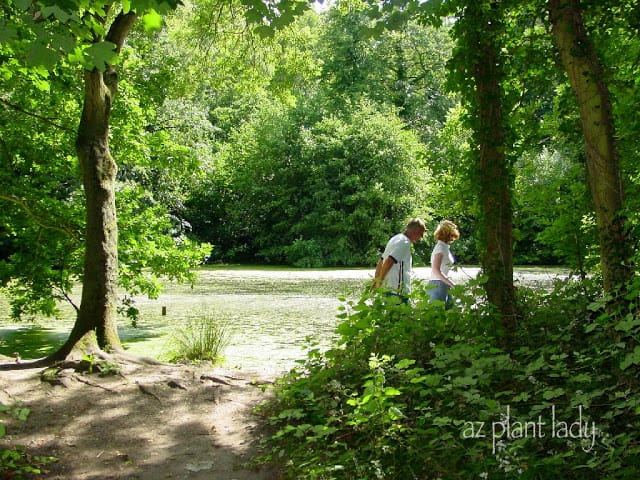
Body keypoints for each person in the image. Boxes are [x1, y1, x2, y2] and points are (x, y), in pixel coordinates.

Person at [372, 218, 426, 301]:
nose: (421, 237)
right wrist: (379, 281)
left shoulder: (395, 238)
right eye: (421, 233)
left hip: (388, 289)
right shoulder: (404, 242)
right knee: (403, 313)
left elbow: (381, 260)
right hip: (398, 292)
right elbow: (389, 261)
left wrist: (376, 280)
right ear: (415, 231)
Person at [428, 220, 460, 308]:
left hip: (444, 284)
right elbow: (435, 270)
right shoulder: (440, 248)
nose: (453, 238)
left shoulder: (445, 247)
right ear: (448, 235)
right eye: (452, 235)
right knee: (436, 316)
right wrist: (452, 283)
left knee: (450, 314)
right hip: (437, 285)